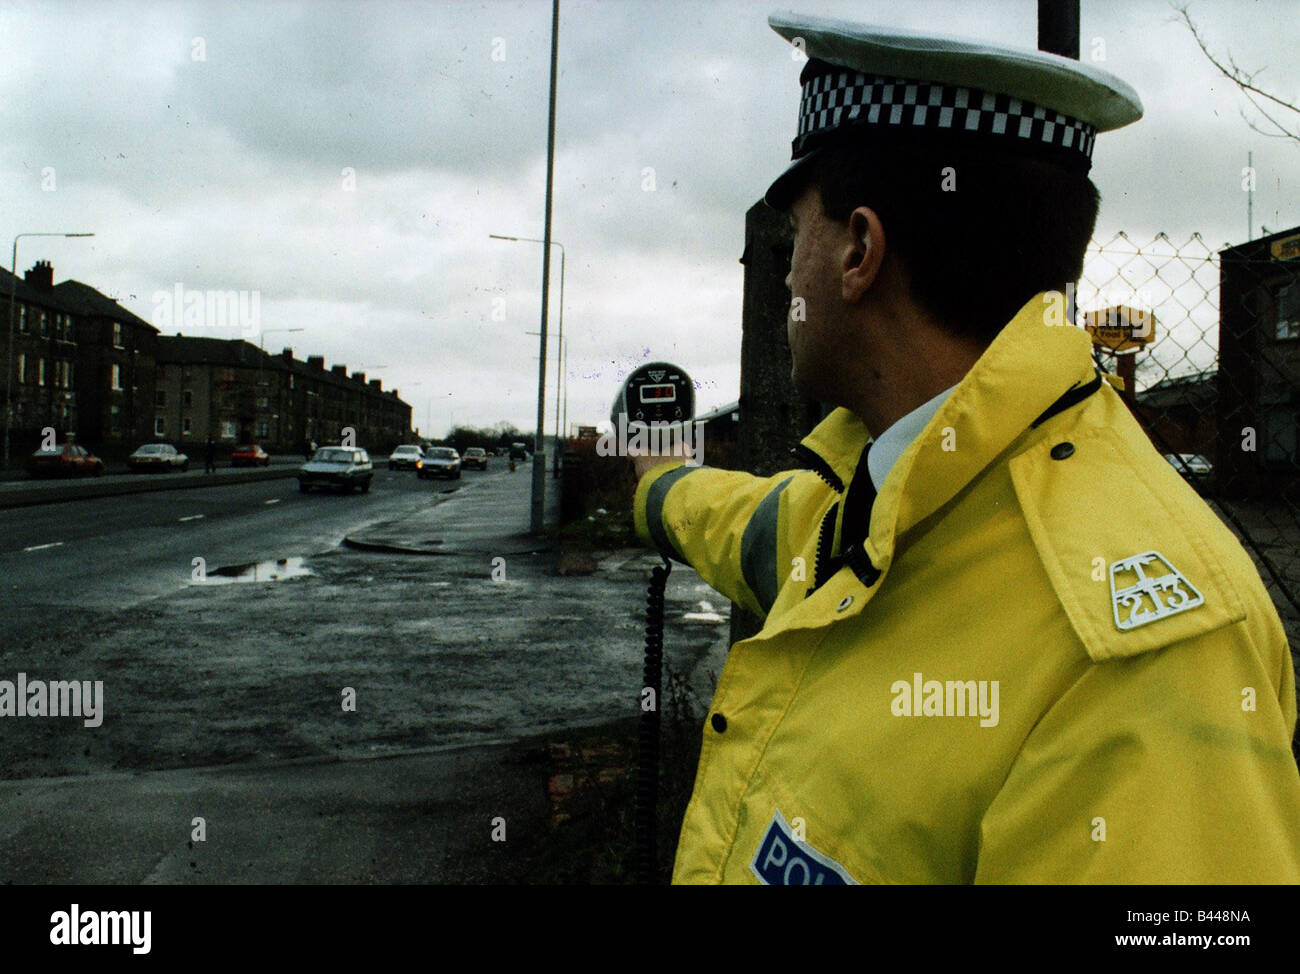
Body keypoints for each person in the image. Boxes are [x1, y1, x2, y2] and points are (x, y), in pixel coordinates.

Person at [633, 13, 1300, 884]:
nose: (788, 275)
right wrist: (657, 488)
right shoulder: (878, 496)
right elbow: (753, 527)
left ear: (859, 253)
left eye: (797, 241)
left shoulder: (1143, 663)